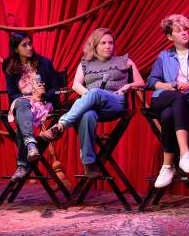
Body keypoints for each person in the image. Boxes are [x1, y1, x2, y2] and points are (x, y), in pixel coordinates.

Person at [40, 28, 145, 177]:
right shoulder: (85, 63)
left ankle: (61, 125)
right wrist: (91, 98)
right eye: (103, 43)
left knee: (95, 93)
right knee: (87, 114)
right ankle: (89, 163)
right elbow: (76, 85)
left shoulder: (124, 61)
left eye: (110, 43)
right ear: (95, 45)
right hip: (94, 105)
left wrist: (128, 86)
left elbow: (141, 82)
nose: (108, 46)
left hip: (115, 103)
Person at [146, 14, 189, 188]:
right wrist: (170, 86)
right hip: (163, 98)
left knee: (169, 114)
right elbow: (151, 81)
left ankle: (168, 166)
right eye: (179, 31)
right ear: (170, 37)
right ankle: (185, 154)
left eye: (185, 29)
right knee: (176, 97)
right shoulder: (164, 56)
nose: (184, 33)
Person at [2, 32, 61, 181]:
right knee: (22, 104)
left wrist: (43, 95)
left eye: (30, 43)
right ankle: (31, 145)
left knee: (22, 117)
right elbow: (12, 94)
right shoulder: (9, 66)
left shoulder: (44, 63)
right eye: (24, 45)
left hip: (43, 105)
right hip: (23, 104)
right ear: (15, 49)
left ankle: (23, 163)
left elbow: (56, 88)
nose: (29, 47)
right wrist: (29, 98)